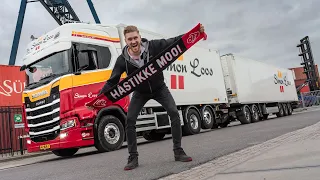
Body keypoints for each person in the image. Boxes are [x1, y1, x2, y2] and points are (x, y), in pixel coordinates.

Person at [99, 24, 205, 170]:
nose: (133, 41)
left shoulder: (153, 46)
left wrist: (194, 33)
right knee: (129, 120)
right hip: (140, 93)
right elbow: (112, 81)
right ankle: (133, 158)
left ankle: (178, 151)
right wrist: (98, 98)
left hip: (159, 88)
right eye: (130, 39)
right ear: (125, 41)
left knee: (174, 113)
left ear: (139, 37)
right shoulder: (122, 60)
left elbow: (173, 42)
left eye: (135, 37)